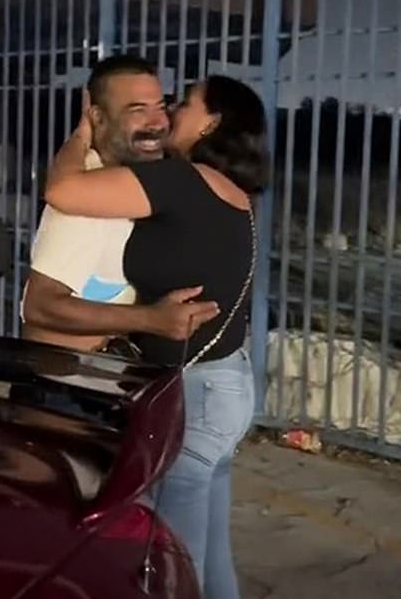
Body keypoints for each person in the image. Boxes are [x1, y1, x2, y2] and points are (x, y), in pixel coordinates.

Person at [44, 74, 270, 599]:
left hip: (196, 395)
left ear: (213, 122)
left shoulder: (182, 182)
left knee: (172, 569)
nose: (170, 112)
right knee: (209, 564)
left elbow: (62, 191)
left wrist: (81, 134)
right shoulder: (233, 192)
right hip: (225, 387)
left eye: (185, 103)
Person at [21, 55, 219, 353]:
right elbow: (40, 306)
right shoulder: (84, 196)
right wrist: (151, 320)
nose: (157, 123)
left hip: (101, 377)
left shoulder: (137, 186)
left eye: (161, 108)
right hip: (61, 380)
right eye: (137, 111)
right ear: (98, 118)